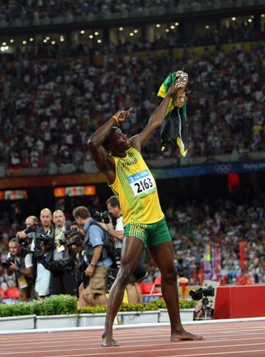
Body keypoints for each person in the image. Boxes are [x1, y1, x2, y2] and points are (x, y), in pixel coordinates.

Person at [88, 81, 202, 346]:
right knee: (125, 272)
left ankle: (177, 330)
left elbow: (154, 122)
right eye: (120, 137)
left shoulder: (135, 148)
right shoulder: (111, 167)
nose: (127, 138)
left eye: (126, 135)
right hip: (137, 223)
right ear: (112, 148)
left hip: (157, 220)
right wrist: (113, 119)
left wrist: (170, 96)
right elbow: (93, 141)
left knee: (170, 274)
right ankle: (107, 332)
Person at [72, 206, 113, 307]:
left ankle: (110, 316)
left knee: (99, 294)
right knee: (86, 294)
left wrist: (92, 265)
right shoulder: (92, 226)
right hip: (100, 264)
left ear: (79, 218)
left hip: (100, 265)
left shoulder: (93, 228)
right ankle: (102, 314)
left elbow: (98, 247)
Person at [105, 195, 144, 304]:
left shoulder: (123, 219)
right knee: (133, 283)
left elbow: (122, 235)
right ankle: (140, 309)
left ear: (117, 207)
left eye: (110, 209)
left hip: (129, 253)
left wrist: (108, 229)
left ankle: (132, 311)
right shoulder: (123, 218)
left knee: (129, 283)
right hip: (132, 252)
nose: (110, 213)